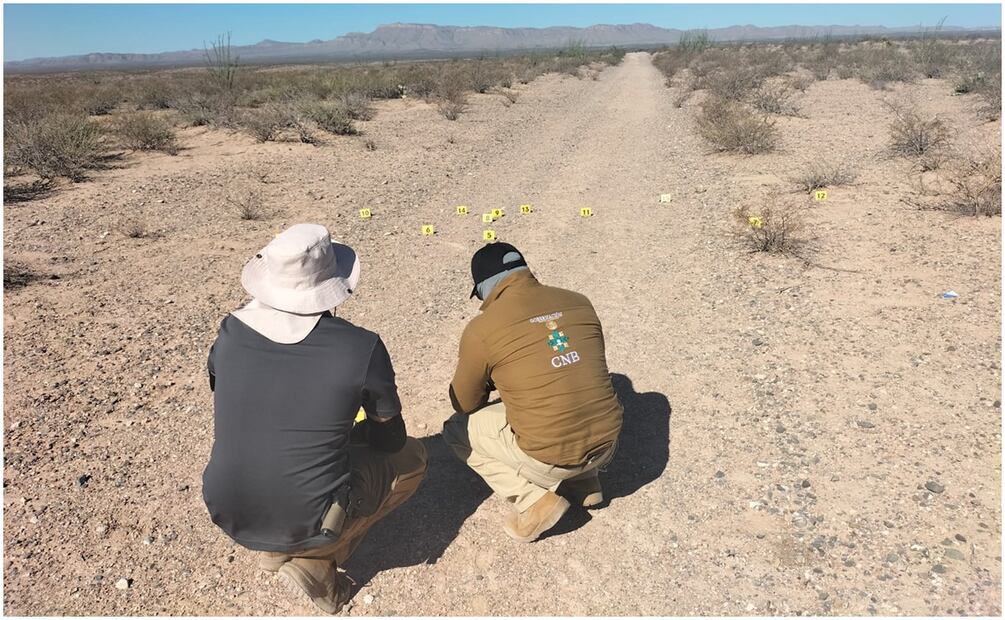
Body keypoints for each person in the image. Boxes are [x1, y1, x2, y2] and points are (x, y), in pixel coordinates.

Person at [203, 223, 426, 613]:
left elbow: (228, 394)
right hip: (305, 512)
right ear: (332, 284)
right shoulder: (361, 347)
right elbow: (388, 440)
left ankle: (278, 543)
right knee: (411, 460)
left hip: (226, 501)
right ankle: (316, 554)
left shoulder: (230, 331)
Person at [443, 242, 623, 543]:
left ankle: (533, 501)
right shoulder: (580, 302)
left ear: (485, 286)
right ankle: (585, 483)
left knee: (457, 429)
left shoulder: (483, 327)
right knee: (565, 390)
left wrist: (491, 379)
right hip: (608, 445)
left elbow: (463, 402)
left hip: (552, 457)